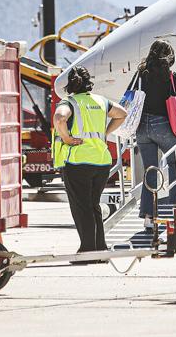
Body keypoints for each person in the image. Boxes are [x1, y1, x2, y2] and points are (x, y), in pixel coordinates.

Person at [52, 67, 128, 257]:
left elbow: (59, 118)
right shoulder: (101, 101)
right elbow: (122, 113)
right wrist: (105, 133)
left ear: (71, 84)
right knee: (93, 205)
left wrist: (67, 138)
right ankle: (100, 248)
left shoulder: (69, 102)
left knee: (81, 207)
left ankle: (87, 249)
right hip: (102, 162)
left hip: (78, 162)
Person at [131, 41, 176, 229]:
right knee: (175, 162)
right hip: (162, 124)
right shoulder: (169, 75)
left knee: (150, 170)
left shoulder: (141, 74)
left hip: (141, 126)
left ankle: (148, 217)